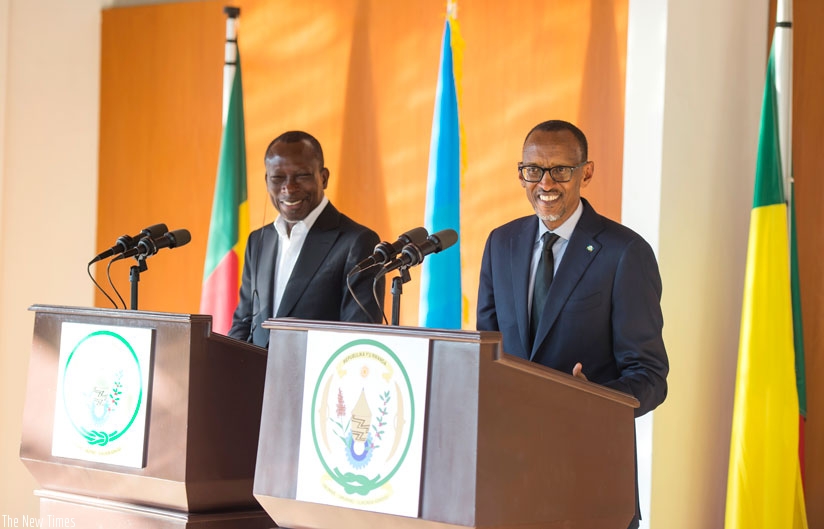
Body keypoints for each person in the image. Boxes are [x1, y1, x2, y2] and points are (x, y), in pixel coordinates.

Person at [476, 120, 668, 529]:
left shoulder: (625, 253)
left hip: (589, 478)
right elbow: (486, 351)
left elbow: (650, 376)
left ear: (587, 171)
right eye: (533, 170)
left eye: (561, 170)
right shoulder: (500, 243)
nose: (545, 183)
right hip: (508, 474)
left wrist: (594, 401)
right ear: (521, 173)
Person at [229, 131, 384, 347]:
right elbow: (244, 323)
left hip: (319, 379)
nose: (289, 187)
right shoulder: (258, 241)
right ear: (266, 180)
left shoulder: (357, 243)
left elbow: (357, 340)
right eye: (278, 178)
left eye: (301, 175)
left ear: (323, 177)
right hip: (256, 378)